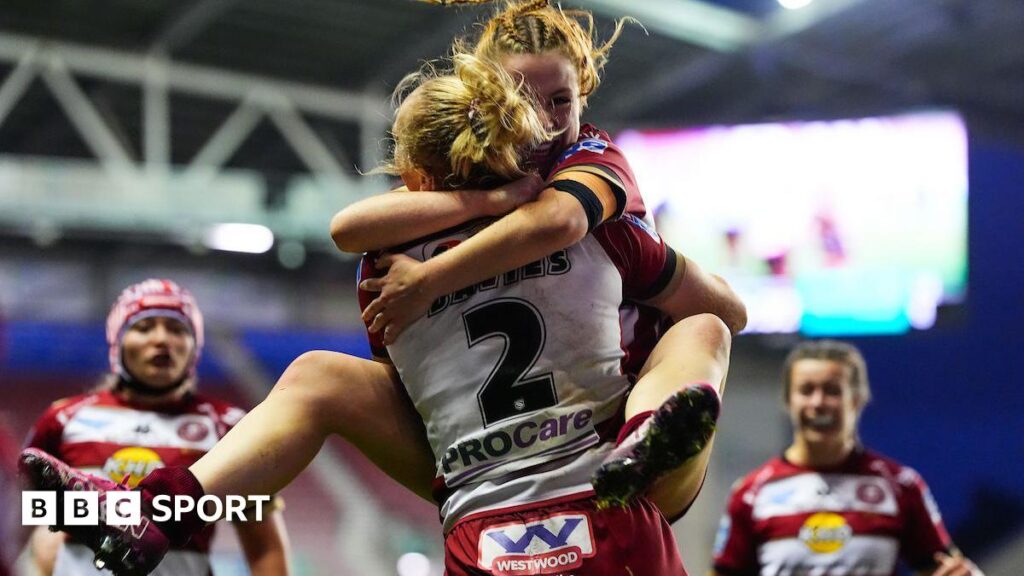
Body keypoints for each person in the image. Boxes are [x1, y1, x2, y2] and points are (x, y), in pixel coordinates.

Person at [21, 49, 738, 575]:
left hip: (479, 510)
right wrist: (650, 267)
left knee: (316, 380)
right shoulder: (596, 216)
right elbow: (722, 311)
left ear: (416, 177)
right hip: (606, 482)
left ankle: (157, 509)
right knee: (699, 330)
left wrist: (441, 267)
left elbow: (362, 260)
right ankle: (647, 431)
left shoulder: (380, 275)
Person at [22, 279, 291, 576]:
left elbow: (264, 545)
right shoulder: (62, 419)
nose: (162, 339)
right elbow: (26, 515)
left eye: (177, 329)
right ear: (118, 342)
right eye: (144, 327)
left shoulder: (230, 426)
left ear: (194, 347)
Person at [710, 340, 983, 576]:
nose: (818, 402)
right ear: (788, 401)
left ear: (858, 399)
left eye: (832, 391)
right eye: (806, 390)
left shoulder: (901, 486)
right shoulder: (750, 493)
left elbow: (948, 568)